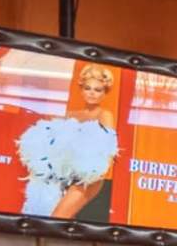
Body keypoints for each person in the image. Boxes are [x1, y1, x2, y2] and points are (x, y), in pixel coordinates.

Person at [14, 61, 122, 224]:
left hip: (87, 179)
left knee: (57, 219)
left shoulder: (104, 115)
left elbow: (108, 148)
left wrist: (98, 171)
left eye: (97, 90)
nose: (92, 93)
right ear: (81, 90)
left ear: (104, 93)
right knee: (44, 215)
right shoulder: (70, 114)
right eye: (88, 88)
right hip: (61, 174)